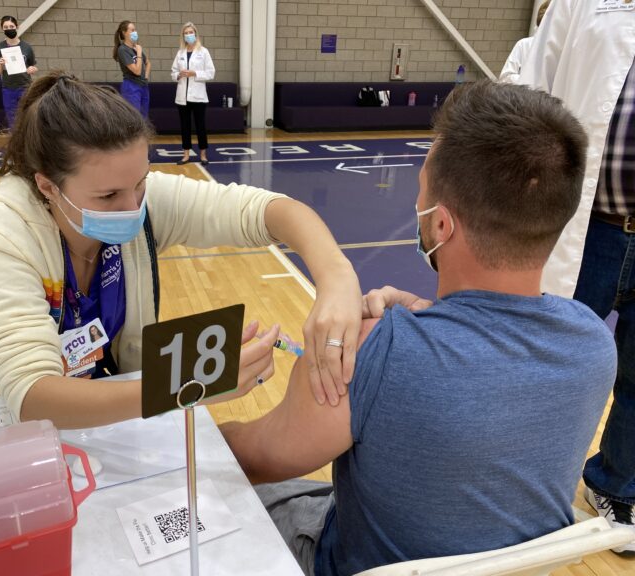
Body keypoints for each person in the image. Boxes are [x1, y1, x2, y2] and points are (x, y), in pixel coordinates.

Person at [221, 81, 617, 575]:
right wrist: (424, 317)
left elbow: (253, 458)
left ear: (442, 225)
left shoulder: (368, 353)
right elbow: (486, 372)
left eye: (421, 195)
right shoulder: (595, 343)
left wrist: (184, 410)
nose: (418, 207)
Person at [0, 72, 362, 430]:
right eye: (109, 195)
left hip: (90, 420)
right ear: (47, 185)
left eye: (140, 182)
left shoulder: (139, 201)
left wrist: (337, 277)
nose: (132, 208)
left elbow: (265, 211)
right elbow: (34, 396)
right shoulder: (2, 232)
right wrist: (185, 383)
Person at [519, 0, 635, 548]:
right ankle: (515, 489)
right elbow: (531, 92)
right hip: (587, 229)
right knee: (541, 362)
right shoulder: (583, 2)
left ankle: (619, 487)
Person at [171, 22, 215, 166]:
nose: (189, 35)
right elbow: (173, 73)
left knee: (200, 125)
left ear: (195, 34)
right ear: (183, 36)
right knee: (185, 126)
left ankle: (203, 154)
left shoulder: (204, 52)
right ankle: (186, 155)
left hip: (198, 96)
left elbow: (211, 73)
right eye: (186, 33)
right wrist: (179, 75)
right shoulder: (180, 53)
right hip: (182, 96)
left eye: (191, 32)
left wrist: (194, 73)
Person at [0, 15, 38, 128]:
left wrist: (32, 69)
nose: (9, 29)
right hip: (8, 89)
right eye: (6, 27)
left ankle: (28, 143)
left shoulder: (26, 47)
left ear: (17, 26)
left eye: (11, 26)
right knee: (12, 120)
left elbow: (33, 66)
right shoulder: (0, 47)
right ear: (2, 29)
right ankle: (15, 143)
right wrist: (1, 64)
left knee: (28, 117)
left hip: (26, 87)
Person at [498, 1, 550, 84]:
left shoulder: (565, 51)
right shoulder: (524, 45)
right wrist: (530, 81)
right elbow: (505, 78)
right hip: (527, 94)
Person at [113, 21, 150, 117]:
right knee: (135, 118)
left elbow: (148, 63)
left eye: (135, 30)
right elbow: (137, 71)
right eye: (132, 30)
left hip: (143, 85)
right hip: (131, 86)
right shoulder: (123, 50)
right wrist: (139, 53)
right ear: (124, 33)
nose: (135, 32)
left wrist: (145, 76)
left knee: (144, 117)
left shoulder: (135, 48)